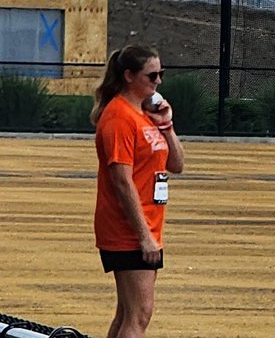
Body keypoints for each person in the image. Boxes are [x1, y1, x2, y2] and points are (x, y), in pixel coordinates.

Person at [91, 44, 185, 338]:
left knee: (128, 313)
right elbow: (121, 180)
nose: (158, 81)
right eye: (152, 75)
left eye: (161, 75)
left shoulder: (145, 115)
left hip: (149, 225)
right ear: (129, 76)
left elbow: (177, 164)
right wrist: (143, 235)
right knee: (140, 314)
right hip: (128, 230)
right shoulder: (119, 117)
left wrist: (167, 126)